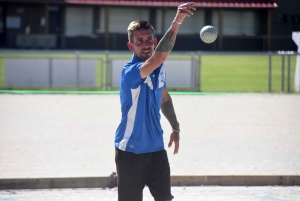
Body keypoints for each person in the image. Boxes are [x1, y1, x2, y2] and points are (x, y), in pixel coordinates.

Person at [114, 2, 196, 201]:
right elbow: (159, 58)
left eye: (149, 39)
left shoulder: (158, 70)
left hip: (157, 150)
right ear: (131, 46)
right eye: (139, 41)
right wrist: (177, 21)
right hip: (130, 152)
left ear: (155, 41)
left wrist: (175, 128)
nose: (146, 44)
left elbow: (165, 98)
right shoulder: (130, 73)